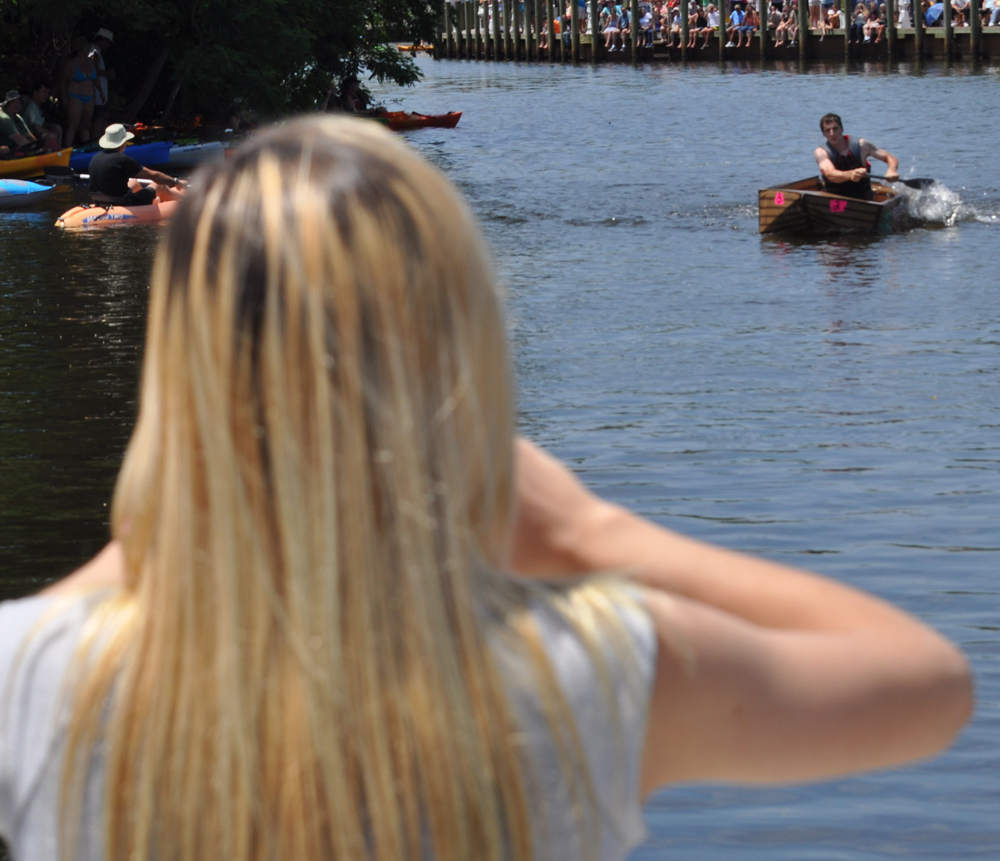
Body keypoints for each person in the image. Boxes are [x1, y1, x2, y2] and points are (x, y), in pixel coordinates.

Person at [0, 116, 972, 861]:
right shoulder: (581, 671)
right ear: (458, 331)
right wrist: (589, 531)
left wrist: (155, 525)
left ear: (184, 354)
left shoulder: (30, 677)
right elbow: (925, 685)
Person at [88, 123, 184, 206]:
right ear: (123, 143)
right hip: (122, 201)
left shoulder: (94, 158)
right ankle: (186, 201)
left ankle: (153, 200)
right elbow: (154, 175)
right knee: (160, 186)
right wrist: (176, 182)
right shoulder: (122, 160)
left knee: (134, 182)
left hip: (98, 199)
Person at [814, 112, 899, 200]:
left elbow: (890, 158)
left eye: (835, 129)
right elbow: (830, 174)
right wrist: (851, 174)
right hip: (837, 200)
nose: (832, 133)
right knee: (838, 210)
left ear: (842, 129)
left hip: (864, 199)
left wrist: (891, 170)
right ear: (824, 134)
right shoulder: (821, 152)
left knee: (865, 208)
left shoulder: (862, 145)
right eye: (828, 130)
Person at [60, 35, 97, 147]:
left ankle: (87, 147)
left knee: (86, 126)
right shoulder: (71, 64)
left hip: (89, 97)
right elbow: (63, 82)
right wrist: (64, 97)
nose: (88, 51)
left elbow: (95, 80)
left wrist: (101, 93)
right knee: (73, 125)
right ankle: (68, 147)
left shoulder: (90, 63)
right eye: (86, 49)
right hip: (75, 96)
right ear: (81, 50)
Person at [89, 28, 116, 142]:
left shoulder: (97, 51)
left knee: (103, 117)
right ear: (103, 40)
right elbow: (92, 70)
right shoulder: (93, 51)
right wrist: (108, 73)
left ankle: (101, 139)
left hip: (101, 92)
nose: (108, 45)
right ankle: (96, 141)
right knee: (98, 118)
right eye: (108, 42)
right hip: (97, 92)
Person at [21, 81, 62, 148]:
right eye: (44, 92)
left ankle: (58, 150)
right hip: (30, 138)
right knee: (51, 135)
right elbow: (38, 130)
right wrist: (51, 132)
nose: (46, 95)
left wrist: (51, 127)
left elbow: (40, 123)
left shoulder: (37, 107)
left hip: (36, 135)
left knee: (57, 128)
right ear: (35, 93)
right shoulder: (32, 108)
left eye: (47, 93)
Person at [0, 91, 40, 156]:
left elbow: (29, 134)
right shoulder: (3, 118)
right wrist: (34, 149)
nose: (17, 104)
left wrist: (38, 146)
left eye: (18, 102)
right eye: (13, 102)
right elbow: (18, 139)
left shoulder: (18, 117)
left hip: (15, 148)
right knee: (4, 149)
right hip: (6, 151)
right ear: (7, 104)